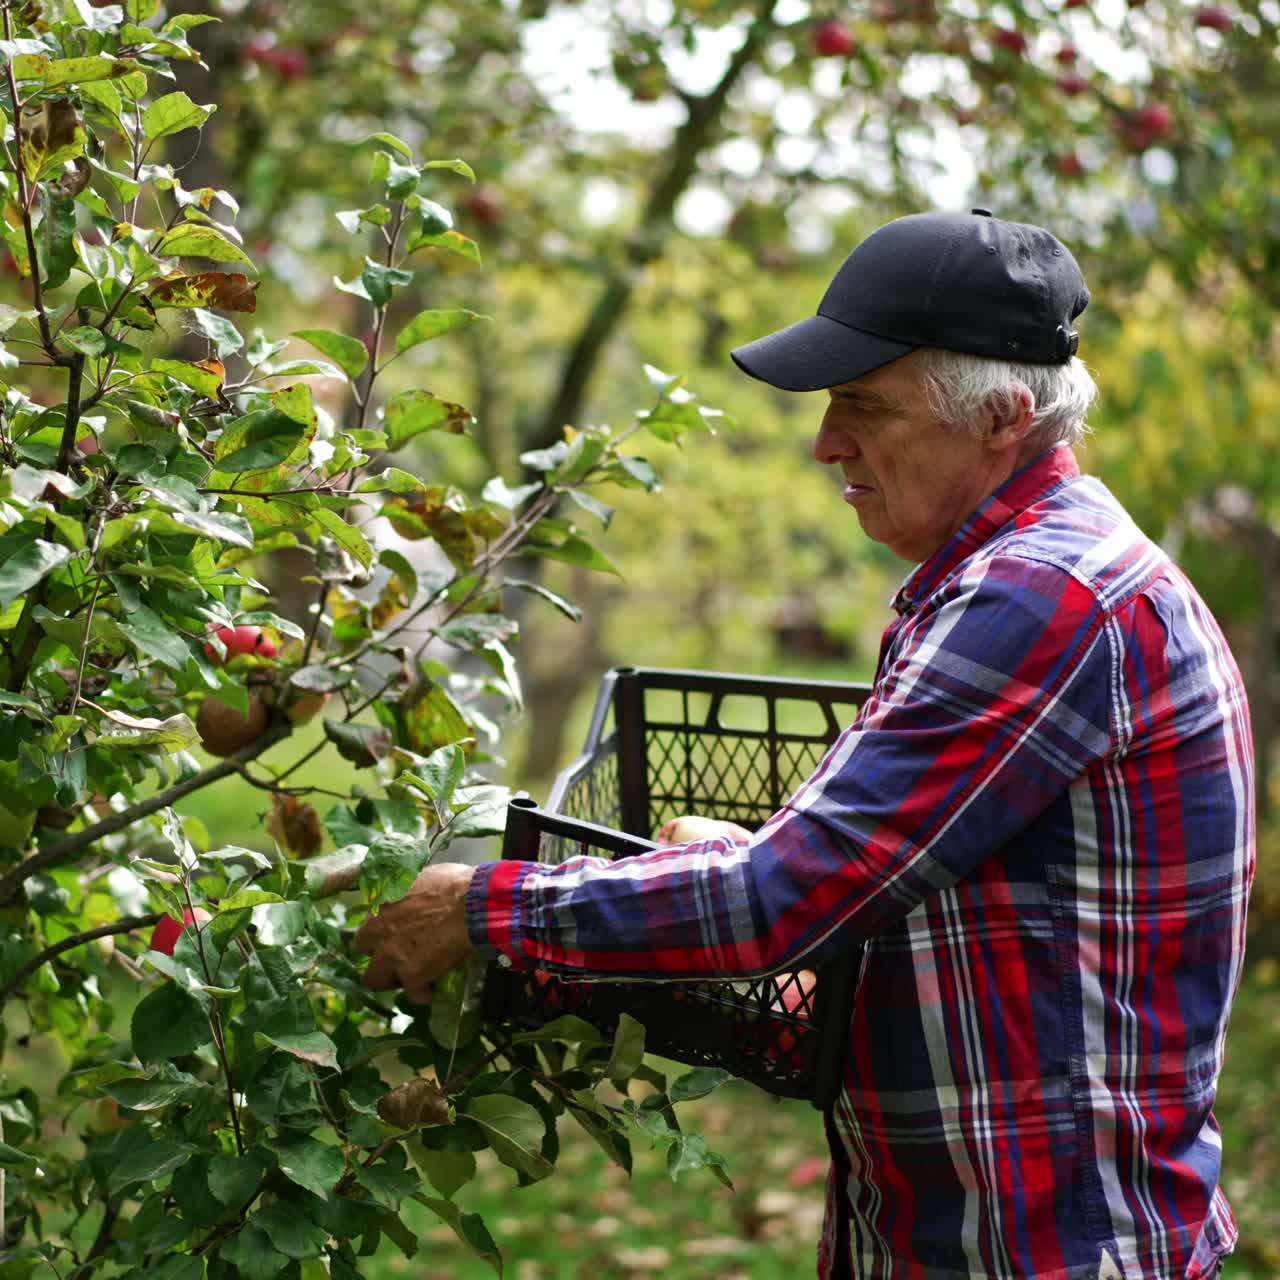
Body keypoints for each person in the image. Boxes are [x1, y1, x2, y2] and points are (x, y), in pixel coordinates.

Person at [352, 209, 1255, 1279]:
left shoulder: (1042, 598)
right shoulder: (1000, 577)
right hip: (971, 1224)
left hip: (1041, 1245)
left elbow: (778, 897)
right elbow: (885, 874)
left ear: (1003, 416)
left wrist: (483, 905)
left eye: (863, 407)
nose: (826, 442)